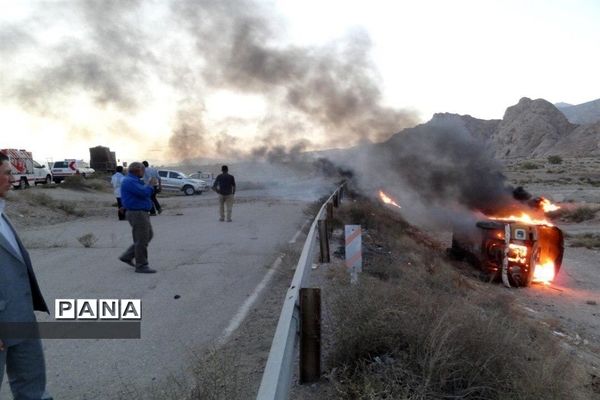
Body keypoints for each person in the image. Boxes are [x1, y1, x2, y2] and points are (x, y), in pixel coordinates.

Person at [0, 153, 52, 398]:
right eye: (7, 173)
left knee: (32, 386)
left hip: (20, 317)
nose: (14, 178)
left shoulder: (2, 213)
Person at [119, 162, 157, 273]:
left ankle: (127, 256)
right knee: (141, 239)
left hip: (140, 212)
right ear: (137, 170)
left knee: (148, 235)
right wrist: (150, 185)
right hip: (137, 213)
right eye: (143, 170)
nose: (144, 172)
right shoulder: (130, 181)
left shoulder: (133, 181)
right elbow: (144, 193)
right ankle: (141, 265)